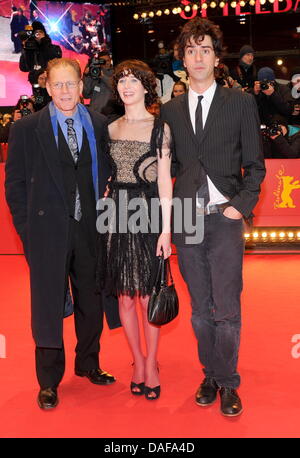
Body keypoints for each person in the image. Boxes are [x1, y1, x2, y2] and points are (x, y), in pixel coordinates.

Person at [160, 17, 265, 416]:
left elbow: (255, 166)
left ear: (216, 57)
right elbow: (165, 169)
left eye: (205, 49)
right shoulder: (168, 111)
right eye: (191, 50)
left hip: (225, 216)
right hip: (187, 216)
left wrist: (241, 203)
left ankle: (228, 382)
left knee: (227, 305)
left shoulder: (239, 102)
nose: (198, 57)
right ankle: (210, 373)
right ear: (182, 59)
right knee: (200, 308)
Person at [5, 58, 117, 410]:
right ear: (47, 88)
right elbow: (15, 186)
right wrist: (28, 233)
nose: (66, 91)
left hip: (90, 230)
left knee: (91, 300)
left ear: (81, 86)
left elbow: (112, 174)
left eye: (71, 84)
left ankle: (89, 363)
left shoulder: (100, 126)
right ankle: (49, 381)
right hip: (47, 233)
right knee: (47, 306)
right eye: (58, 85)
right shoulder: (26, 130)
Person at [98, 59, 172, 400]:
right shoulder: (110, 129)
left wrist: (166, 230)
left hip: (149, 214)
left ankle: (153, 363)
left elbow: (165, 184)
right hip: (117, 215)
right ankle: (138, 361)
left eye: (133, 80)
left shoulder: (161, 128)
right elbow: (108, 180)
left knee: (146, 297)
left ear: (146, 86)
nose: (127, 86)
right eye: (122, 81)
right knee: (125, 297)